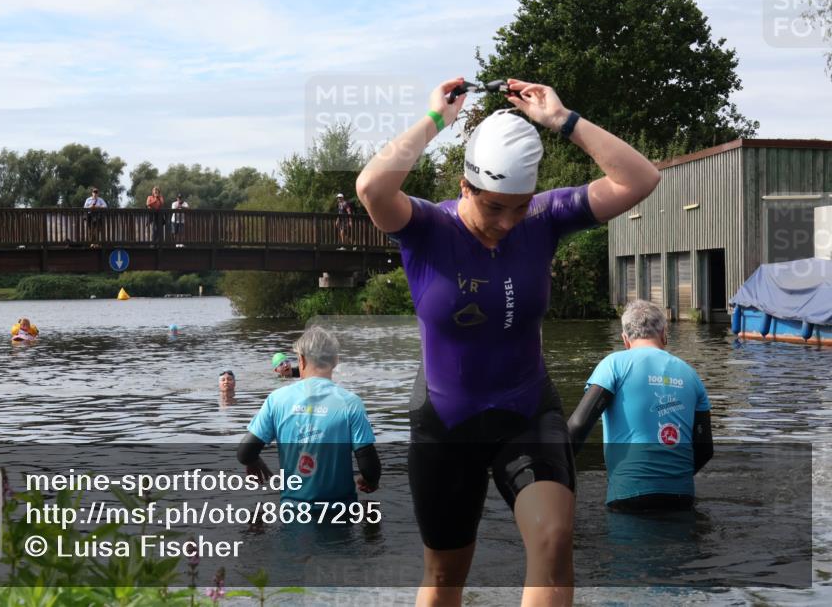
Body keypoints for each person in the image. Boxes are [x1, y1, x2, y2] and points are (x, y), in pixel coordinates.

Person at [355, 76, 660, 606]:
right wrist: (435, 121)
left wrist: (563, 120)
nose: (507, 222)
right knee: (445, 578)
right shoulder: (427, 228)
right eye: (495, 206)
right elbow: (372, 188)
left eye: (518, 206)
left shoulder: (543, 218)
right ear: (465, 185)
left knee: (553, 540)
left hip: (525, 410)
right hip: (446, 421)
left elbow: (640, 178)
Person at [567, 300, 713, 512]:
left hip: (628, 495)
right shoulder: (691, 375)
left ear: (625, 339)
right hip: (681, 497)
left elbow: (578, 426)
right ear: (664, 333)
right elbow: (705, 450)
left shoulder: (614, 364)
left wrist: (555, 477)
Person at [238, 326, 381, 504]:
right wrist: (370, 481)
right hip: (340, 512)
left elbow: (245, 453)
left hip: (293, 513)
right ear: (335, 361)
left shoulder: (277, 400)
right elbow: (370, 468)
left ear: (301, 361)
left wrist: (254, 461)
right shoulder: (350, 403)